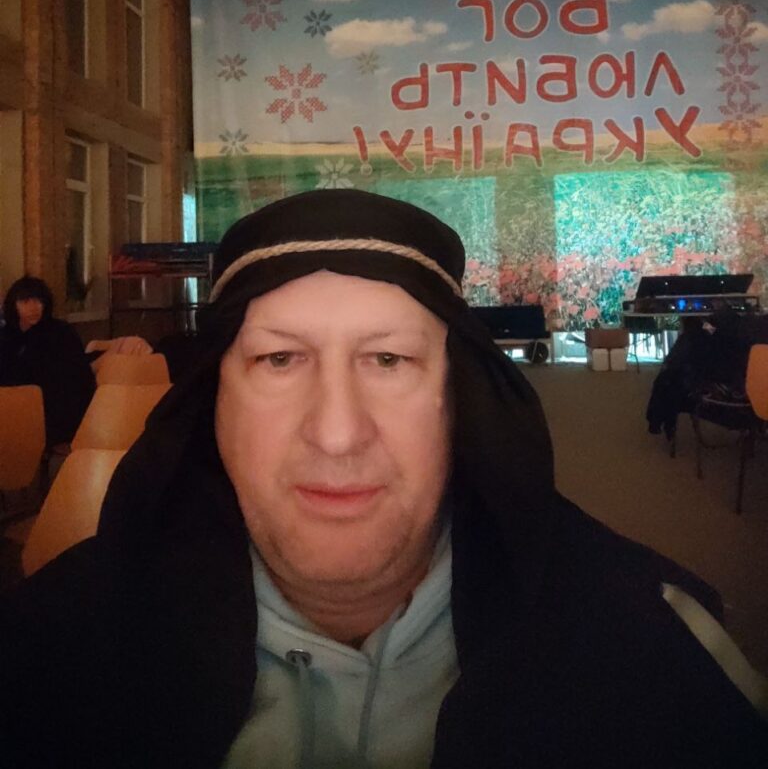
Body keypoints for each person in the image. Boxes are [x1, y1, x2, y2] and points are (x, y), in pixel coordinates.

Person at [1, 191, 766, 769]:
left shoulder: (659, 658)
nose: (337, 432)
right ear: (216, 404)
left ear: (457, 400)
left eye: (389, 359)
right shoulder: (43, 657)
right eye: (279, 359)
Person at [0, 275, 95, 449]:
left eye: (38, 301)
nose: (33, 307)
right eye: (25, 301)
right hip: (15, 407)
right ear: (13, 305)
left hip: (56, 410)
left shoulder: (61, 333)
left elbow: (76, 379)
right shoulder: (7, 336)